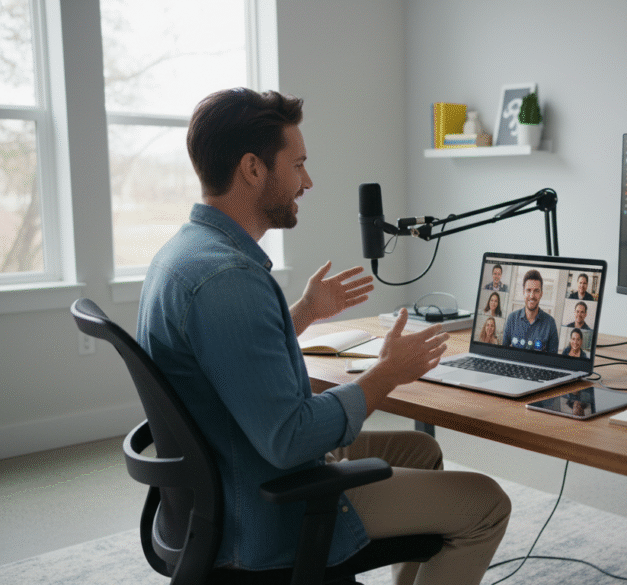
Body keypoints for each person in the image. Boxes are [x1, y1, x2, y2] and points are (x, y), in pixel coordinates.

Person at [137, 88, 510, 585]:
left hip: (233, 471)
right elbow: (289, 439)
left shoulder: (186, 255)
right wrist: (385, 375)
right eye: (298, 164)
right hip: (265, 506)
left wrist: (306, 311)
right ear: (252, 168)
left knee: (423, 453)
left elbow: (229, 362)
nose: (307, 181)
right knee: (487, 503)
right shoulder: (228, 280)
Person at [501, 269, 558, 351]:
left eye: (536, 291)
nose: (532, 296)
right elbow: (503, 353)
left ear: (541, 293)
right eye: (528, 290)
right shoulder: (512, 319)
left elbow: (553, 360)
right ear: (523, 292)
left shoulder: (550, 323)